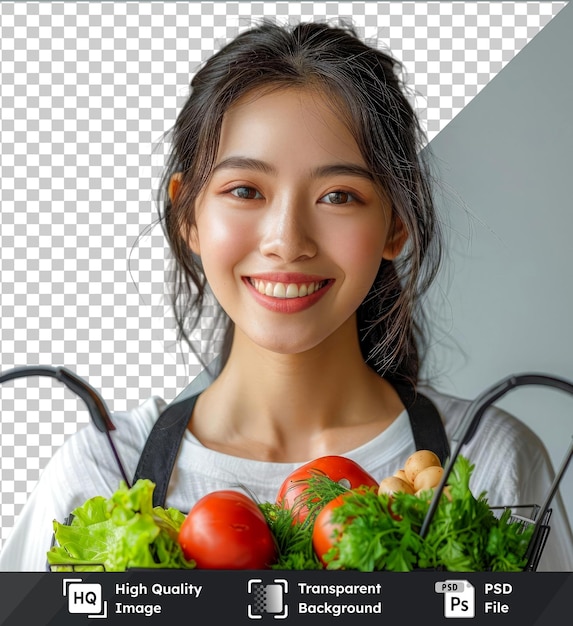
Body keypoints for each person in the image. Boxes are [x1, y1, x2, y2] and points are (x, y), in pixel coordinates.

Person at [0, 21, 571, 572]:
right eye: (245, 190)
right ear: (187, 214)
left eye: (339, 195)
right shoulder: (102, 472)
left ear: (396, 224)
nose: (287, 241)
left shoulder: (493, 465)